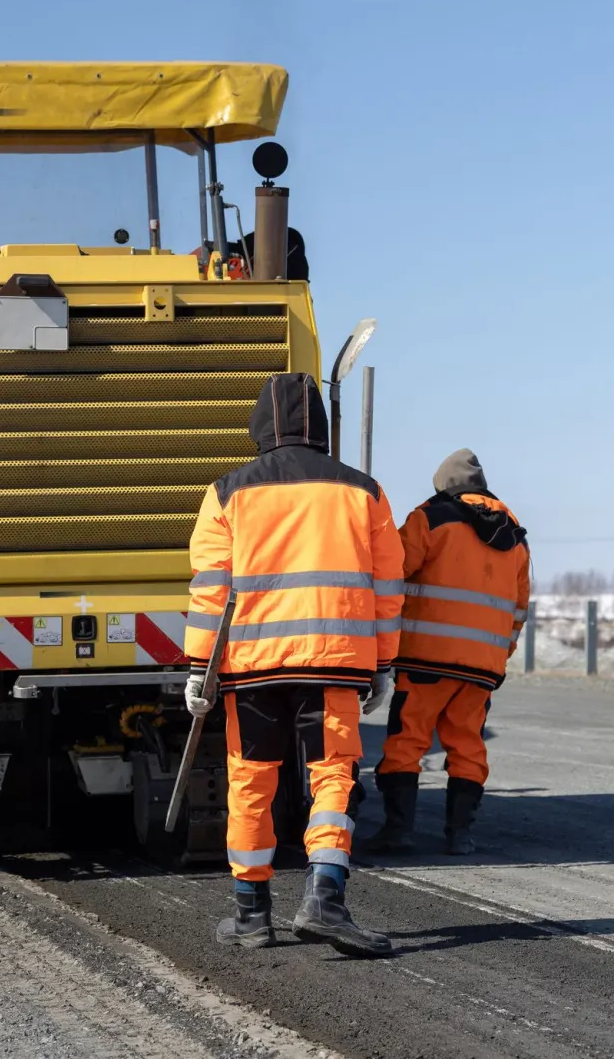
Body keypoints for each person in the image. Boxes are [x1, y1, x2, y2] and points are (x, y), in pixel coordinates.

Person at [184, 372, 403, 956]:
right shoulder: (364, 492)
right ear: (322, 428)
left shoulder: (227, 492)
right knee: (332, 776)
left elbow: (210, 589)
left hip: (251, 667)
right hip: (334, 663)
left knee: (251, 782)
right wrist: (382, 663)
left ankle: (252, 916)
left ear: (260, 427)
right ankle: (325, 897)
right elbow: (387, 588)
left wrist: (199, 668)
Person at [369, 449, 529, 856]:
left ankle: (398, 830)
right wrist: (497, 655)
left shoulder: (431, 518)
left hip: (425, 658)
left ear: (443, 483)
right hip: (482, 669)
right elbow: (520, 608)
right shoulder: (515, 534)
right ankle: (461, 835)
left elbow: (393, 571)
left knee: (408, 741)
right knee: (468, 745)